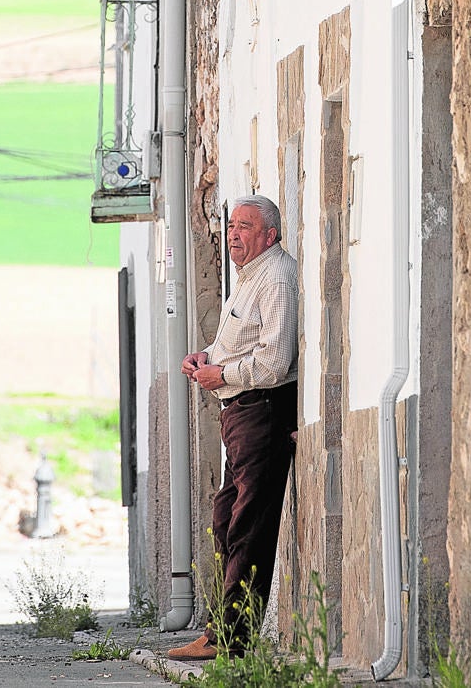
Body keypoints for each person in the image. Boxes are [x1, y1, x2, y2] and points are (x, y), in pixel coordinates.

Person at [166, 195, 299, 661]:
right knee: (226, 519)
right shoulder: (247, 278)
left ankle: (232, 640)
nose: (234, 235)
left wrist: (221, 375)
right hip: (239, 414)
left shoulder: (277, 277)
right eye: (232, 227)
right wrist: (208, 356)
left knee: (247, 525)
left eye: (245, 227)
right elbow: (243, 344)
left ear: (270, 235)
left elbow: (275, 361)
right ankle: (220, 630)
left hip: (262, 410)